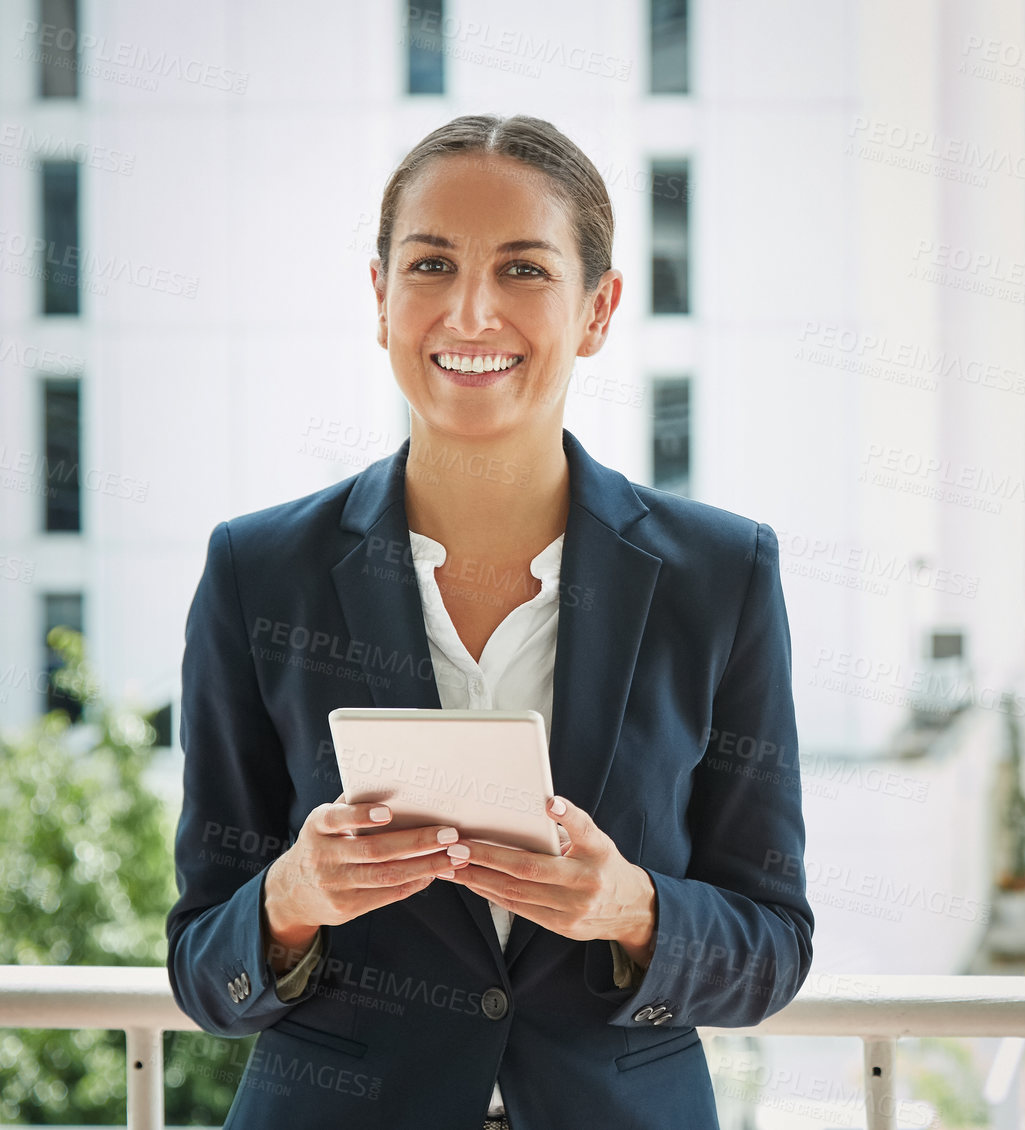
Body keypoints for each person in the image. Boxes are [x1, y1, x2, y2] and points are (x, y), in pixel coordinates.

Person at [165, 113, 814, 1129]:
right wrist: (292, 896)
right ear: (380, 298)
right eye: (429, 264)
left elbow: (771, 946)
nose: (470, 311)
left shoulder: (721, 574)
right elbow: (204, 965)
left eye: (523, 270)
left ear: (597, 309)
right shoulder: (260, 571)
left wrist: (632, 908)